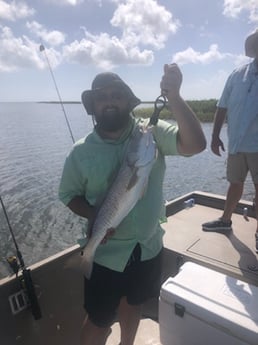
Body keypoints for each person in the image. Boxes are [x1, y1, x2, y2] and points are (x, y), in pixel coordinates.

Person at [58, 63, 206, 345]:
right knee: (99, 319)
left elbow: (196, 144)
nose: (110, 101)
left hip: (147, 246)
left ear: (128, 100)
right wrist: (96, 216)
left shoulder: (148, 133)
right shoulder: (80, 152)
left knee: (134, 303)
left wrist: (174, 97)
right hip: (105, 253)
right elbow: (68, 196)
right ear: (94, 106)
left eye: (117, 94)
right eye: (102, 97)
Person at [202, 29, 258, 253]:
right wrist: (215, 136)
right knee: (235, 183)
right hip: (236, 145)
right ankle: (225, 221)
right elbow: (222, 106)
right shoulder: (237, 74)